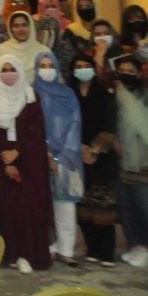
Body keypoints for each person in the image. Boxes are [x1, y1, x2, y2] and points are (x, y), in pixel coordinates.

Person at [0, 55, 53, 273]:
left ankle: (29, 254)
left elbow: (36, 132)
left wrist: (17, 153)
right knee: (8, 209)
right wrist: (5, 159)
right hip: (1, 161)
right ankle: (12, 254)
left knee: (30, 208)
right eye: (4, 69)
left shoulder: (31, 97)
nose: (8, 74)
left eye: (12, 69)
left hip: (30, 161)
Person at [33, 51, 85, 266]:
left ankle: (66, 250)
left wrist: (60, 155)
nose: (47, 70)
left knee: (65, 205)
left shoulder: (67, 94)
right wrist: (44, 151)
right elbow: (31, 126)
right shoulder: (31, 94)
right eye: (42, 66)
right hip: (38, 156)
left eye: (50, 66)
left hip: (67, 157)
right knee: (43, 203)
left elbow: (75, 124)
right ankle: (49, 248)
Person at [68, 52, 119, 267]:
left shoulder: (104, 95)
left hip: (102, 157)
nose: (82, 69)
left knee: (102, 205)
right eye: (78, 66)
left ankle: (106, 252)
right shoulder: (69, 95)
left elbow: (110, 125)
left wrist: (95, 150)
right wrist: (79, 149)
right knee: (83, 205)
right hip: (76, 156)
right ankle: (92, 249)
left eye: (86, 65)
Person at [113, 54, 148, 268]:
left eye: (130, 71)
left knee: (144, 208)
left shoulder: (145, 96)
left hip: (143, 162)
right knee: (126, 208)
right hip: (122, 162)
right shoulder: (114, 96)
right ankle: (137, 246)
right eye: (122, 70)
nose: (126, 74)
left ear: (139, 73)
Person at [0, 10, 42, 83]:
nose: (21, 29)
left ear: (31, 27)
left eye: (25, 25)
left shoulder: (42, 51)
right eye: (16, 26)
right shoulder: (1, 50)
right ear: (10, 29)